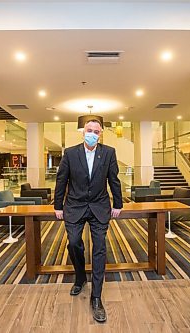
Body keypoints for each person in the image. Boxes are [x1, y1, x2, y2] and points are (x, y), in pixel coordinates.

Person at [54, 119, 123, 323]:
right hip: (75, 206)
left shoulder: (108, 152)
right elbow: (62, 180)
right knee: (74, 243)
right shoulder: (70, 153)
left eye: (96, 131)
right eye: (89, 130)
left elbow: (114, 179)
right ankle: (80, 276)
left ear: (101, 134)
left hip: (99, 207)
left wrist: (117, 204)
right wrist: (58, 206)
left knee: (99, 248)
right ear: (83, 132)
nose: (92, 134)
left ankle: (96, 298)